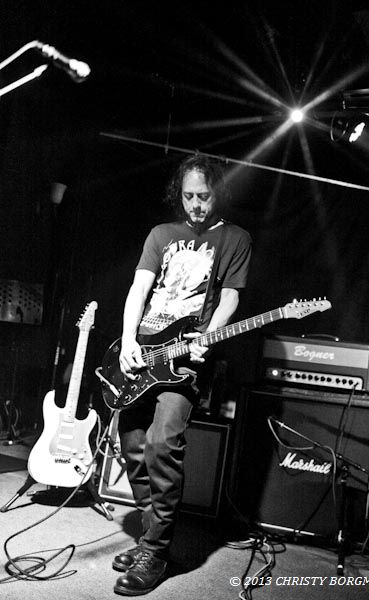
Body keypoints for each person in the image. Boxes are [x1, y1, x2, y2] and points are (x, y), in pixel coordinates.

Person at [112, 154, 252, 596]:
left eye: (203, 196)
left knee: (162, 443)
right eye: (189, 196)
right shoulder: (161, 234)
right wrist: (128, 341)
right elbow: (139, 288)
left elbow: (230, 297)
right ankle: (150, 539)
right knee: (132, 445)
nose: (195, 205)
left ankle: (155, 551)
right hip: (144, 350)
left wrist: (208, 336)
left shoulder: (234, 238)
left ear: (217, 194)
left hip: (186, 357)